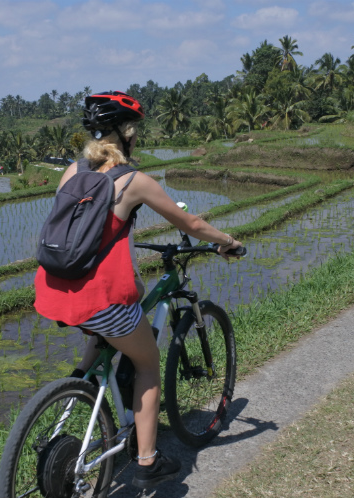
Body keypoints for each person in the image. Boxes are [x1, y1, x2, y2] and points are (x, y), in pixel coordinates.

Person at [33, 91, 243, 489]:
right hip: (101, 300)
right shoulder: (133, 181)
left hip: (52, 289)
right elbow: (191, 224)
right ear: (126, 133)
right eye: (135, 131)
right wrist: (226, 241)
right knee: (147, 363)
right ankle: (147, 459)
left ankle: (83, 379)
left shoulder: (72, 172)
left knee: (120, 312)